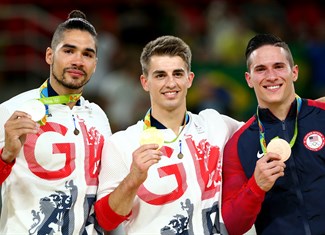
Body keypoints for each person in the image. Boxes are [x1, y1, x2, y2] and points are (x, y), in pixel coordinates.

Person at [94, 35, 243, 234]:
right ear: (145, 82)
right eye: (160, 75)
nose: (170, 83)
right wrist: (134, 178)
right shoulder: (122, 143)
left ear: (189, 79)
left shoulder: (216, 124)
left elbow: (262, 129)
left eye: (178, 74)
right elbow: (105, 221)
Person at [0, 10, 111, 234]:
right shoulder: (11, 111)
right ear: (50, 55)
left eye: (87, 54)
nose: (78, 61)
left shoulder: (98, 117)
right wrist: (6, 156)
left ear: (95, 64)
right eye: (69, 51)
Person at [222, 33, 325, 235]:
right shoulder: (238, 144)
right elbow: (233, 226)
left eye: (278, 66)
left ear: (294, 72)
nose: (271, 76)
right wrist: (256, 186)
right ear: (248, 79)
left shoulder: (322, 116)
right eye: (260, 69)